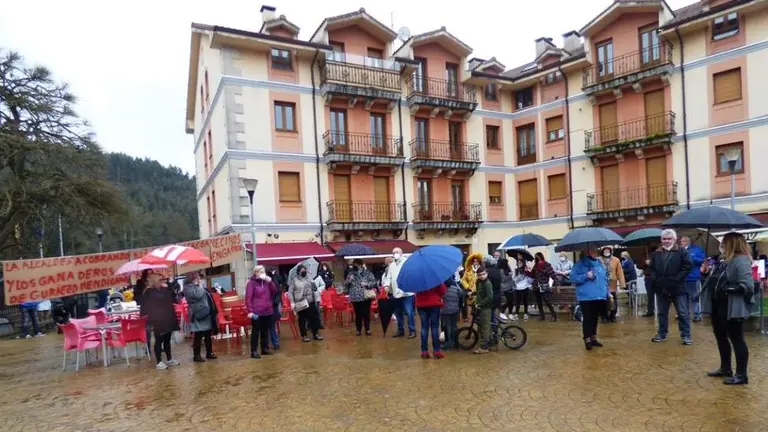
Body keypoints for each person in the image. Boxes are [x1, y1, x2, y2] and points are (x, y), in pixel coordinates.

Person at [700, 233, 754, 385]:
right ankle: (725, 368)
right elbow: (714, 280)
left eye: (724, 242)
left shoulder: (741, 260)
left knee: (736, 339)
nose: (721, 245)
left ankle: (742, 374)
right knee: (721, 336)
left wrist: (727, 289)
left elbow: (747, 285)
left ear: (731, 244)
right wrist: (705, 272)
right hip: (718, 305)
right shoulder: (723, 261)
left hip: (731, 306)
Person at [649, 229, 694, 345]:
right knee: (662, 313)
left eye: (669, 239)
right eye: (664, 239)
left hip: (678, 288)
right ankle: (662, 333)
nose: (666, 241)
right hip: (662, 288)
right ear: (661, 240)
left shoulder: (682, 251)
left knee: (683, 312)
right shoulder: (656, 253)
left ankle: (686, 335)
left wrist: (676, 279)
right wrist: (657, 281)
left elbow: (688, 266)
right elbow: (652, 269)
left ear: (674, 239)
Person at [572, 248, 609, 350]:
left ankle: (593, 338)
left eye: (595, 251)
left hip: (599, 296)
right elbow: (573, 278)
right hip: (586, 297)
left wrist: (607, 293)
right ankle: (587, 338)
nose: (595, 252)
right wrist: (586, 276)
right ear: (586, 252)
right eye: (592, 251)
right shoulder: (579, 265)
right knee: (588, 318)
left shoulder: (599, 263)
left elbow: (604, 279)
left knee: (595, 318)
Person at [141, 274, 180, 369]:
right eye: (160, 280)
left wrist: (170, 285)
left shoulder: (164, 289)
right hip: (158, 319)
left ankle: (169, 359)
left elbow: (172, 298)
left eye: (163, 279)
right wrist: (166, 290)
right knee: (159, 340)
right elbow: (157, 299)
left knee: (167, 339)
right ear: (154, 281)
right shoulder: (149, 291)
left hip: (168, 317)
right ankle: (159, 362)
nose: (162, 281)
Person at [184, 271, 218, 362]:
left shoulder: (198, 286)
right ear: (193, 278)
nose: (199, 278)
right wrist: (200, 286)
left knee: (208, 334)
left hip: (205, 313)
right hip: (198, 314)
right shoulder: (188, 288)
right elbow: (197, 295)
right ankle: (197, 355)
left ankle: (209, 352)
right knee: (198, 335)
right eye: (198, 276)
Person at [246, 265, 278, 358]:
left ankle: (265, 348)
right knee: (256, 331)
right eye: (260, 271)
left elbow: (274, 291)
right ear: (255, 272)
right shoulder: (251, 283)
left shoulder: (267, 282)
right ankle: (254, 351)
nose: (262, 273)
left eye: (263, 271)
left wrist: (271, 281)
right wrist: (250, 310)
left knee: (265, 331)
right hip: (257, 311)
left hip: (267, 310)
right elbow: (248, 298)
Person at [383, 248, 416, 339]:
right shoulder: (392, 265)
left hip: (407, 293)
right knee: (398, 313)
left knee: (409, 312)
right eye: (394, 252)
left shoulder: (407, 263)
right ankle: (400, 330)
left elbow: (411, 275)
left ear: (402, 253)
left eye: (397, 252)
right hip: (395, 293)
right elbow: (388, 277)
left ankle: (412, 330)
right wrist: (386, 285)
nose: (395, 254)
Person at [288, 264, 323, 343]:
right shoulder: (294, 280)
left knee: (315, 318)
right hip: (301, 301)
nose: (304, 271)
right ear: (299, 271)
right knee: (302, 319)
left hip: (311, 301)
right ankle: (304, 335)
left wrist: (313, 284)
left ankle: (315, 333)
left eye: (305, 270)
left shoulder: (309, 278)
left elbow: (314, 288)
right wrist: (292, 302)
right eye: (302, 270)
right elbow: (290, 292)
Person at [416, 282, 447, 359]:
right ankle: (436, 351)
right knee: (435, 328)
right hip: (434, 304)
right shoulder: (435, 277)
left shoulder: (417, 278)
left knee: (424, 328)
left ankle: (424, 351)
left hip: (421, 304)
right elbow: (443, 290)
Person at [346, 259, 377, 336]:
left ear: (360, 265)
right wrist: (349, 280)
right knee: (358, 314)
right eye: (353, 265)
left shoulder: (367, 273)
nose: (354, 266)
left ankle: (367, 329)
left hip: (365, 296)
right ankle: (358, 330)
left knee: (366, 313)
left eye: (356, 265)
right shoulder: (351, 274)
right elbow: (345, 284)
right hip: (355, 297)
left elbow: (374, 282)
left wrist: (366, 284)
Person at [680, 235, 706, 322]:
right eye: (681, 241)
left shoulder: (697, 249)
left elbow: (702, 260)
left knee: (695, 297)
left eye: (683, 241)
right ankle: (685, 314)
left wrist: (690, 257)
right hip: (683, 278)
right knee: (684, 297)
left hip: (694, 277)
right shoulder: (679, 250)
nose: (681, 243)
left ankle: (697, 315)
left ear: (688, 241)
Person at [599, 247, 625, 323]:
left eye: (608, 250)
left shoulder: (616, 260)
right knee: (602, 301)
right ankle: (604, 316)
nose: (607, 251)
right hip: (602, 283)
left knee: (613, 300)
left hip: (612, 283)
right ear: (602, 251)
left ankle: (612, 316)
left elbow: (620, 272)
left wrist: (622, 284)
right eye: (605, 250)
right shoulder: (598, 260)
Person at [473, 266, 494, 354]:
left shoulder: (487, 283)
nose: (482, 276)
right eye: (479, 275)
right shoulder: (480, 282)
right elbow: (479, 292)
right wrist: (472, 293)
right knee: (485, 326)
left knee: (485, 327)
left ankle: (484, 347)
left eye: (483, 274)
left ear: (487, 274)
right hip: (481, 307)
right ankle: (491, 343)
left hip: (485, 308)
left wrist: (480, 304)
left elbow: (490, 296)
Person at [532, 252, 558, 322]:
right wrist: (527, 271)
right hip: (536, 285)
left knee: (547, 300)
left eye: (538, 256)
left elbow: (552, 274)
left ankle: (553, 315)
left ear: (541, 256)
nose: (537, 258)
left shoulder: (547, 264)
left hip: (544, 285)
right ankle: (542, 315)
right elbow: (532, 275)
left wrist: (556, 284)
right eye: (536, 257)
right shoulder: (535, 265)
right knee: (539, 301)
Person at [441, 277, 465, 351]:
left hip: (445, 311)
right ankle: (455, 342)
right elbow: (461, 296)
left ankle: (448, 343)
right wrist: (459, 306)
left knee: (447, 326)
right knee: (454, 326)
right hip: (455, 310)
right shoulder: (456, 289)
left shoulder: (443, 290)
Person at [461, 252, 485, 318]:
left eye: (477, 261)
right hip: (470, 292)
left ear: (479, 262)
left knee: (479, 309)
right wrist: (467, 288)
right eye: (474, 261)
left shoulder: (482, 270)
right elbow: (463, 280)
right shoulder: (468, 270)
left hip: (479, 292)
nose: (475, 263)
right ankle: (470, 323)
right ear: (471, 262)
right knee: (469, 306)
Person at [511, 257, 533, 322]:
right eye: (518, 263)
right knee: (517, 302)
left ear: (523, 263)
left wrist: (528, 271)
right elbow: (514, 279)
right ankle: (516, 313)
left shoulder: (526, 269)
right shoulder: (516, 270)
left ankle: (526, 313)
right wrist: (516, 279)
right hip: (518, 288)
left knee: (525, 301)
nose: (519, 264)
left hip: (525, 287)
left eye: (521, 262)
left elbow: (530, 279)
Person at [266, 268, 283, 350]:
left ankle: (274, 343)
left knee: (271, 327)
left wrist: (274, 303)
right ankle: (273, 344)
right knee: (270, 327)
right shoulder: (272, 281)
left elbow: (278, 294)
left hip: (271, 308)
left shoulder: (272, 282)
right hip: (268, 307)